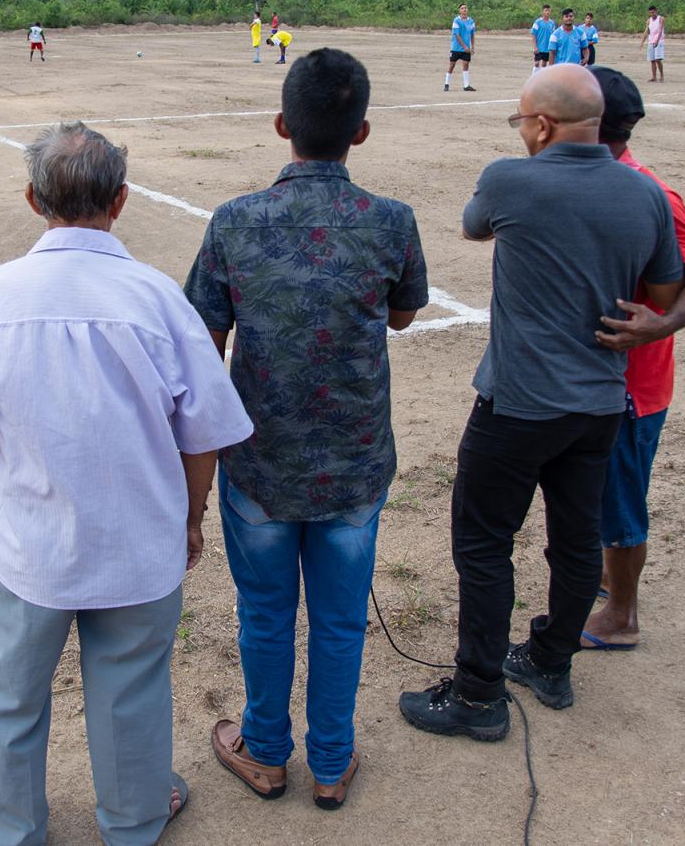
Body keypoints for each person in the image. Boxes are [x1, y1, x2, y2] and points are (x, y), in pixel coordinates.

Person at [0, 123, 253, 846]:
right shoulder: (158, 299)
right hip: (138, 539)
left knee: (12, 690)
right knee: (131, 689)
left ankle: (12, 824)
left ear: (32, 199)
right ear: (122, 201)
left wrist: (12, 464)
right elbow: (204, 433)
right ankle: (133, 819)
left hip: (33, 544)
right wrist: (192, 516)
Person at [397, 64, 684, 733]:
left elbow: (475, 227)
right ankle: (551, 662)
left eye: (522, 121)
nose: (521, 131)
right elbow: (664, 296)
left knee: (484, 543)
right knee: (576, 539)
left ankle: (476, 697)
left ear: (544, 125)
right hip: (599, 405)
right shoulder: (645, 195)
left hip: (518, 405)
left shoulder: (509, 178)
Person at [184, 48, 429, 811]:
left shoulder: (234, 223)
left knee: (264, 613)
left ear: (283, 125)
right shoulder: (392, 222)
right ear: (361, 132)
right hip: (353, 464)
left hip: (259, 464)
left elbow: (204, 337)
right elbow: (402, 311)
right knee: (339, 619)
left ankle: (265, 752)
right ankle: (330, 760)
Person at [582, 69, 685, 651]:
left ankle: (622, 615)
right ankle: (593, 581)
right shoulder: (583, 182)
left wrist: (661, 324)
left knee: (618, 499)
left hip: (632, 387)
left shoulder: (651, 193)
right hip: (587, 382)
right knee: (588, 491)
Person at [445, 3, 476, 92]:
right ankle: (447, 84)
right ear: (459, 10)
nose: (464, 9)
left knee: (466, 64)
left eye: (465, 8)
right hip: (456, 48)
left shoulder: (471, 21)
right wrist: (465, 47)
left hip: (466, 48)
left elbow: (472, 34)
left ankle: (466, 85)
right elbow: (457, 35)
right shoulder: (456, 21)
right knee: (452, 65)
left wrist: (472, 47)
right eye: (462, 8)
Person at [640, 6, 665, 82]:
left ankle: (661, 76)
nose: (652, 14)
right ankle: (654, 77)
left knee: (658, 59)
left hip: (659, 41)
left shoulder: (661, 19)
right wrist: (642, 42)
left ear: (656, 11)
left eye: (653, 12)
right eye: (650, 13)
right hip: (651, 41)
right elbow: (646, 31)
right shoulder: (648, 21)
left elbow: (660, 29)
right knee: (652, 60)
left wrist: (657, 40)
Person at [530, 5, 555, 73]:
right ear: (543, 12)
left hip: (548, 47)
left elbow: (553, 35)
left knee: (544, 63)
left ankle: (541, 78)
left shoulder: (552, 23)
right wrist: (535, 47)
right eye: (546, 10)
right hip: (539, 47)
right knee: (537, 63)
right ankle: (534, 77)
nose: (547, 12)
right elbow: (533, 34)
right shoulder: (537, 22)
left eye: (549, 11)